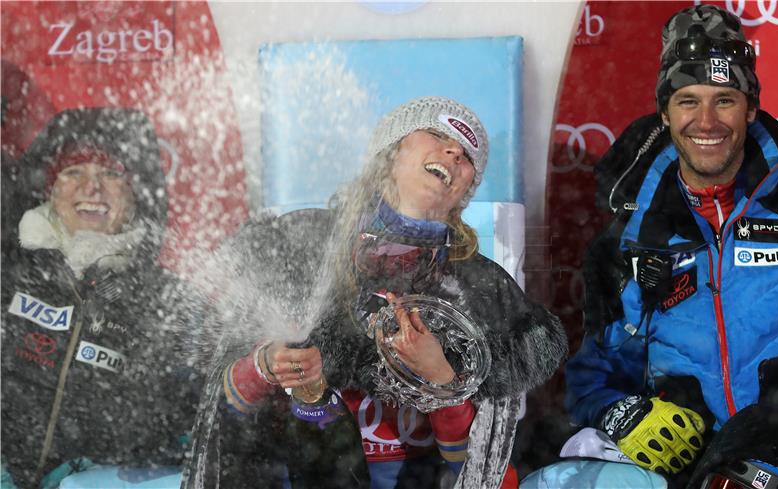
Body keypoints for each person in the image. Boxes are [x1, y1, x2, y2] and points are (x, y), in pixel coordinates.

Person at [182, 96, 569, 489]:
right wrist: (265, 366)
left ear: (464, 191)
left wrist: (442, 380)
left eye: (468, 158)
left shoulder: (481, 287)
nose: (454, 152)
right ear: (390, 152)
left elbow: (482, 469)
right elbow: (221, 421)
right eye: (436, 134)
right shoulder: (298, 244)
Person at [522, 4, 778, 489]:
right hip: (686, 465)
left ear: (752, 108)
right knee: (552, 482)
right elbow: (594, 375)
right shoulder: (626, 241)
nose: (707, 121)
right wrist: (623, 413)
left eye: (725, 100)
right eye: (688, 100)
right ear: (666, 113)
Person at [1, 108, 204, 489]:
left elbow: (192, 430)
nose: (91, 188)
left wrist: (98, 473)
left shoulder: (170, 302)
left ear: (135, 195)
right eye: (73, 171)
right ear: (50, 188)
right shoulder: (7, 270)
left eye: (111, 174)